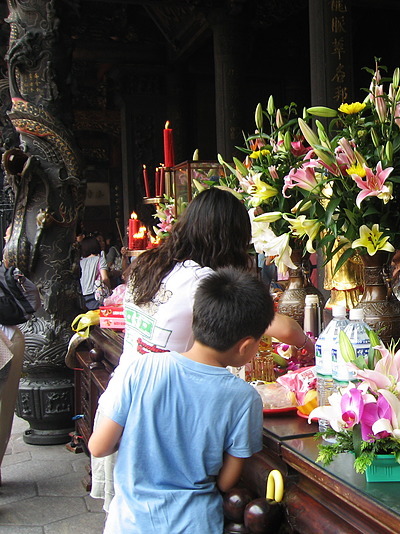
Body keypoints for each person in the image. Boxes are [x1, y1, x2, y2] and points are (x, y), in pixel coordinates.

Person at [88, 268, 267, 533]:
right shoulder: (244, 398)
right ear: (245, 346)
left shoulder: (142, 368)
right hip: (195, 523)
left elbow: (99, 447)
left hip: (129, 523)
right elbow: (227, 481)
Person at [121, 188, 314, 367]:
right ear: (231, 240)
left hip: (125, 385)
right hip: (165, 393)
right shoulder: (199, 279)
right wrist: (308, 345)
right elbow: (284, 329)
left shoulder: (147, 263)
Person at [0, 228, 41, 484]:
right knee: (3, 410)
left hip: (6, 343)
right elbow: (33, 300)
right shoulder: (8, 271)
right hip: (9, 339)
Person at [80, 236, 110, 310]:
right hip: (96, 296)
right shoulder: (100, 260)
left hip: (82, 296)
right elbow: (105, 278)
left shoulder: (80, 262)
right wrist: (109, 290)